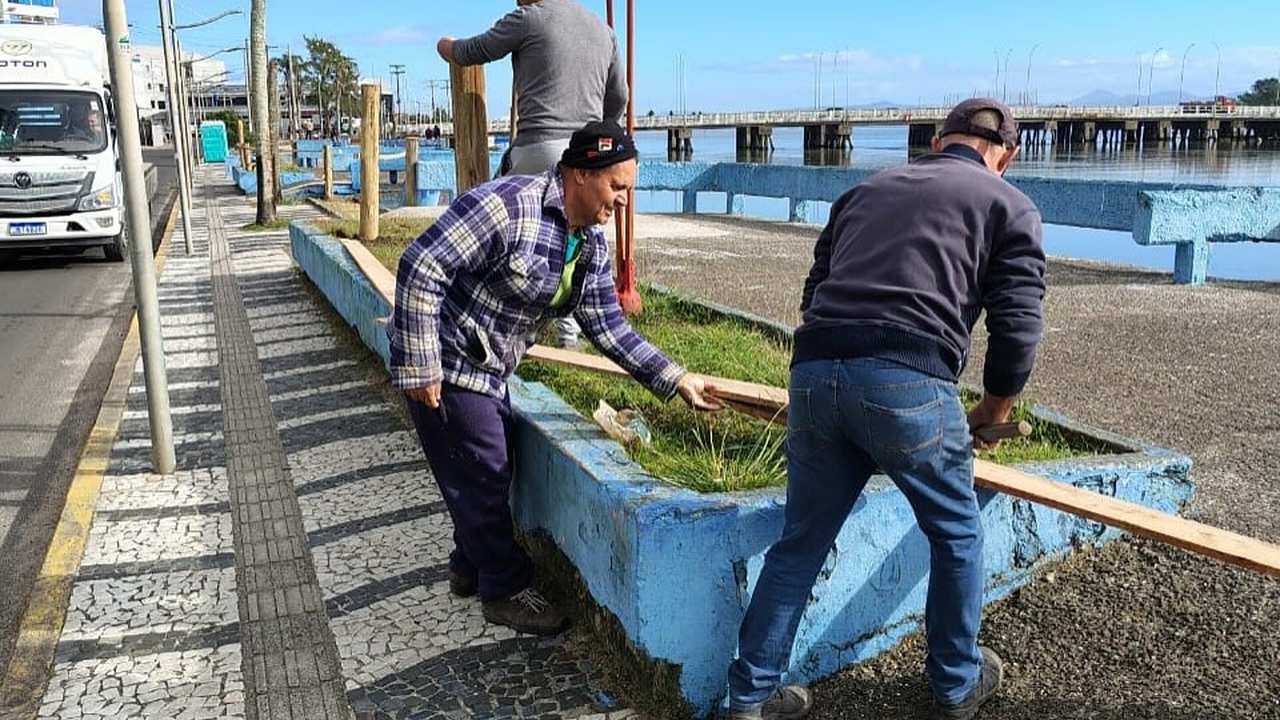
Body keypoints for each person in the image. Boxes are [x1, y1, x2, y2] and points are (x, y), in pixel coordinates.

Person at [724, 98, 1046, 720]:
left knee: (800, 542)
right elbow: (1018, 325)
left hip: (815, 370)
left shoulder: (863, 191)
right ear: (1005, 156)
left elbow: (814, 292)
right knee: (955, 533)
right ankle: (955, 685)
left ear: (937, 142)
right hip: (909, 378)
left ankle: (750, 697)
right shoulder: (1009, 205)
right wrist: (994, 407)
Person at [387, 121, 721, 636]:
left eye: (629, 190)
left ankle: (467, 564)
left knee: (488, 465)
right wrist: (420, 363)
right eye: (617, 186)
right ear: (581, 174)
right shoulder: (507, 206)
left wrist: (676, 379)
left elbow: (609, 328)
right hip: (448, 357)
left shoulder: (589, 246)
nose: (624, 201)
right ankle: (503, 587)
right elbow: (422, 264)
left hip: (490, 366)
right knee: (486, 467)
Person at [437, 0, 628, 348]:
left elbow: (471, 51)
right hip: (585, 160)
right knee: (575, 239)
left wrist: (444, 45)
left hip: (539, 147)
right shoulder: (604, 32)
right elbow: (618, 99)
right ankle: (568, 334)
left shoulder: (529, 18)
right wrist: (597, 144)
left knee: (498, 226)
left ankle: (492, 321)